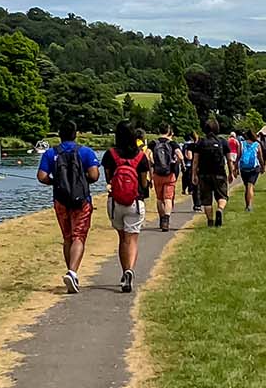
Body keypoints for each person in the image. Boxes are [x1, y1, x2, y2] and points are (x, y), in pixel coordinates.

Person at [37, 119, 101, 294]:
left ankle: (72, 273)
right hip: (82, 200)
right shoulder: (86, 152)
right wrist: (81, 182)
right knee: (79, 235)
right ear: (76, 133)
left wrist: (55, 182)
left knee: (67, 237)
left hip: (60, 199)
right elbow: (95, 175)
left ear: (60, 134)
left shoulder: (50, 153)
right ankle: (72, 272)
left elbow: (41, 176)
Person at [102, 119, 151, 293]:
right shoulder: (140, 156)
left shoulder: (110, 155)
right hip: (135, 202)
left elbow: (108, 178)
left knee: (122, 239)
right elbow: (144, 184)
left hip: (115, 202)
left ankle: (124, 272)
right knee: (132, 239)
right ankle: (130, 270)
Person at [191, 122, 230, 228]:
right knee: (222, 196)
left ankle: (210, 222)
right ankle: (220, 209)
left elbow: (195, 161)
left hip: (204, 174)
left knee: (207, 199)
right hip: (219, 173)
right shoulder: (223, 142)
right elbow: (229, 159)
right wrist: (231, 172)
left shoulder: (201, 142)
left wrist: (194, 174)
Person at [149, 126, 182, 231]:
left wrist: (153, 163)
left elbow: (146, 155)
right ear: (169, 132)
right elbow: (180, 156)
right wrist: (175, 163)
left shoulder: (153, 143)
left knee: (159, 198)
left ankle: (161, 218)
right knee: (168, 198)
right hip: (169, 174)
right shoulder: (172, 143)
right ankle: (166, 220)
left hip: (157, 174)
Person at [236, 129, 264, 211]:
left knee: (246, 187)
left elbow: (238, 156)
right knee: (250, 186)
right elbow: (260, 157)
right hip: (254, 168)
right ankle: (249, 205)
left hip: (244, 168)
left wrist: (235, 167)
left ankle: (247, 205)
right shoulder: (256, 144)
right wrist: (263, 167)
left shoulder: (242, 144)